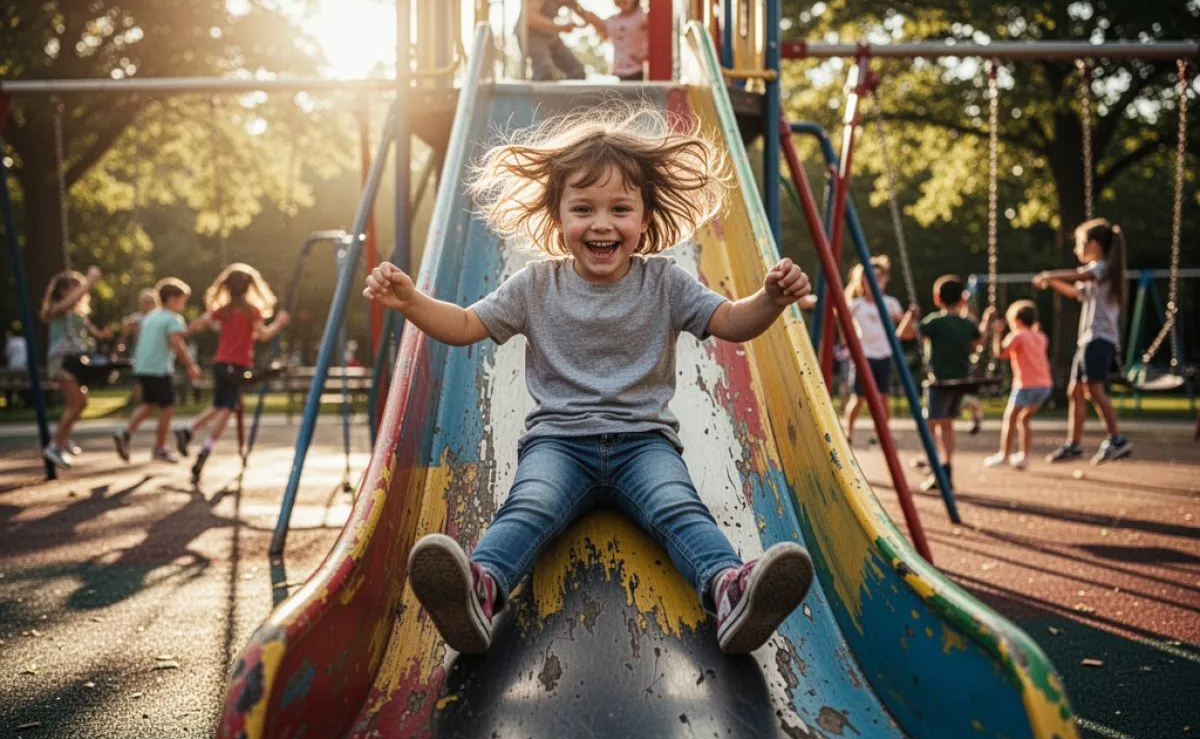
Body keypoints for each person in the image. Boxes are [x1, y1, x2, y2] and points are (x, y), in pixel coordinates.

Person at [363, 109, 815, 656]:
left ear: (645, 218)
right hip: (559, 443)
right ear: (558, 219)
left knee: (678, 507)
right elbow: (463, 326)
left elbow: (731, 322)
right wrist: (411, 301)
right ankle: (479, 591)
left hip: (644, 443)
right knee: (530, 505)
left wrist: (770, 298)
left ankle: (729, 588)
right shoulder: (535, 285)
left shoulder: (665, 281)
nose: (602, 223)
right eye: (583, 209)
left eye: (620, 209)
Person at [177, 264, 289, 483]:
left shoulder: (224, 310)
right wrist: (279, 323)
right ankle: (205, 450)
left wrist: (185, 332)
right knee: (227, 409)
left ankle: (189, 430)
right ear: (249, 288)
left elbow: (202, 322)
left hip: (220, 364)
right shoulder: (251, 311)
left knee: (219, 406)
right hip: (237, 367)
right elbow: (263, 335)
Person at [1034, 217, 1132, 464]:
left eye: (1079, 244)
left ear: (1094, 244)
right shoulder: (1099, 272)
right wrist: (1052, 282)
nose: (1076, 250)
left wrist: (1049, 273)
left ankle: (1117, 438)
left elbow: (1082, 275)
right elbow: (1075, 292)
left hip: (1099, 339)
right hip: (1088, 339)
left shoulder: (1102, 268)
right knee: (1075, 391)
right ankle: (1074, 444)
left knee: (1093, 389)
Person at [113, 279, 202, 463]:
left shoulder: (151, 317)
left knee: (149, 403)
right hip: (158, 369)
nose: (184, 305)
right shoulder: (172, 318)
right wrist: (190, 366)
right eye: (183, 300)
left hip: (142, 367)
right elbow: (177, 344)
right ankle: (160, 447)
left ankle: (125, 433)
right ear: (172, 299)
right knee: (168, 407)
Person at [39, 266, 113, 468]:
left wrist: (104, 334)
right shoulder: (58, 309)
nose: (80, 292)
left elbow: (95, 333)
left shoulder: (78, 314)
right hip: (61, 361)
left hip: (76, 361)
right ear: (63, 291)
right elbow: (69, 302)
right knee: (77, 403)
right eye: (75, 288)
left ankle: (63, 439)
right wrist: (89, 281)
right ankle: (55, 446)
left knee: (81, 403)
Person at [918, 274, 984, 490]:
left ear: (937, 298)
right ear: (962, 299)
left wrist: (911, 317)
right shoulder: (967, 323)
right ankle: (946, 468)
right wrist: (987, 322)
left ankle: (933, 467)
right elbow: (978, 343)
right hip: (960, 382)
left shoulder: (935, 322)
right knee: (946, 425)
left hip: (940, 382)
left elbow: (906, 335)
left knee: (929, 425)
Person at [842, 256, 916, 446]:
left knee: (883, 398)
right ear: (862, 282)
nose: (875, 282)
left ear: (884, 280)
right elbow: (843, 325)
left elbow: (906, 333)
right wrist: (848, 343)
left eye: (878, 278)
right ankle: (848, 432)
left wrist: (909, 317)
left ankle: (882, 433)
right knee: (859, 398)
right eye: (870, 278)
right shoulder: (856, 304)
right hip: (863, 356)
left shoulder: (890, 303)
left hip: (884, 354)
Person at [982, 300, 1052, 469]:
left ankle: (1004, 455)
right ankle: (1024, 456)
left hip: (1025, 385)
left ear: (1017, 320)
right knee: (1024, 418)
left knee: (1011, 418)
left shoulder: (1018, 335)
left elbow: (1001, 353)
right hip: (1044, 385)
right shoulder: (1041, 337)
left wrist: (997, 333)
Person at [519, 0, 606, 81]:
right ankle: (541, 88)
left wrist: (600, 24)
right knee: (544, 70)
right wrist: (559, 27)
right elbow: (529, 17)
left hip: (550, 36)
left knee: (577, 71)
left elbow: (585, 15)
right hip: (531, 36)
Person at [605, 0, 648, 81]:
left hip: (637, 71)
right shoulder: (612, 20)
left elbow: (654, 36)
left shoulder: (642, 16)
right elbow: (601, 28)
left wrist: (646, 51)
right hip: (617, 72)